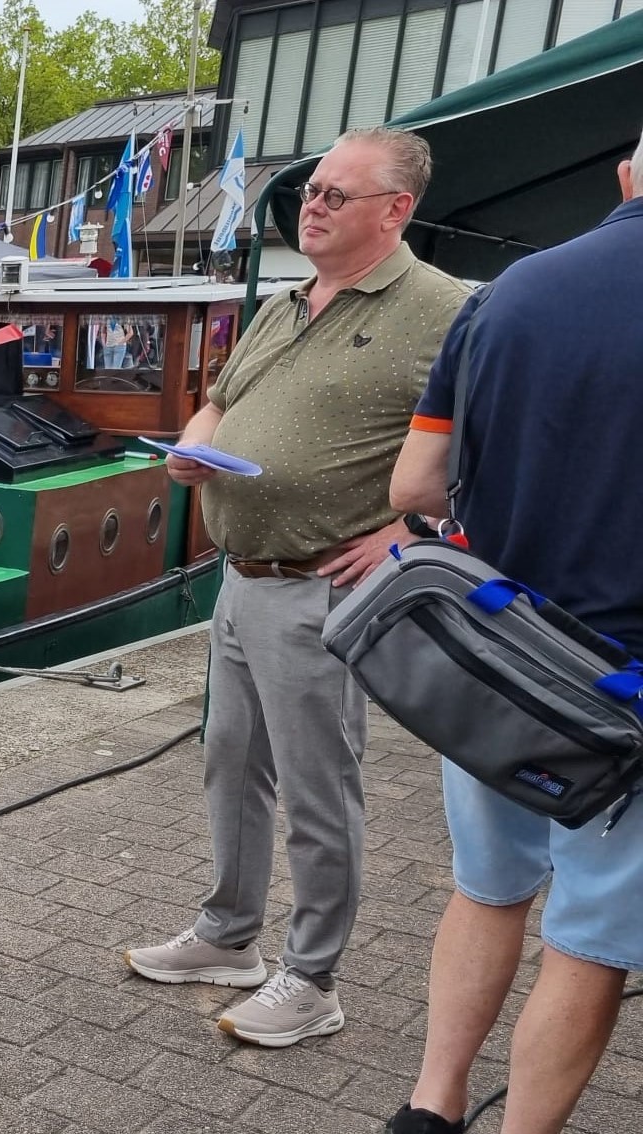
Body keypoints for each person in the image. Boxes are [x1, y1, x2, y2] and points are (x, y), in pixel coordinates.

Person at [123, 127, 470, 1047]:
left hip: (324, 585)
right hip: (241, 577)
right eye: (312, 190)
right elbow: (220, 398)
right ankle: (229, 935)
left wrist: (411, 534)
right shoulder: (284, 304)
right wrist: (195, 445)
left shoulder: (446, 312)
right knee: (231, 760)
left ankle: (313, 979)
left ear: (396, 210)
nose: (311, 206)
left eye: (335, 195)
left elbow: (499, 442)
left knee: (319, 786)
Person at [377, 136, 643, 1134]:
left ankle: (432, 1105)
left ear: (625, 175)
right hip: (625, 696)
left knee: (487, 891)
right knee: (589, 943)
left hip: (499, 660)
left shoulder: (507, 294)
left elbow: (415, 486)